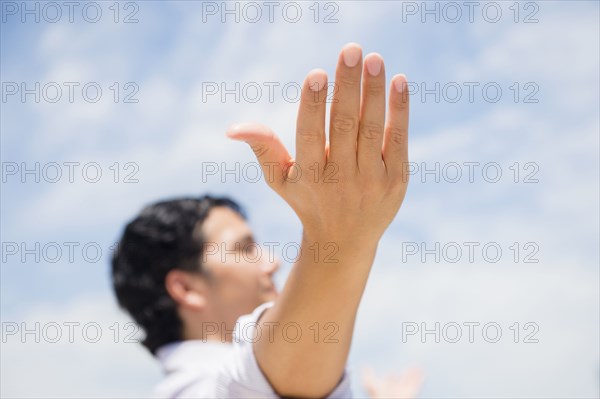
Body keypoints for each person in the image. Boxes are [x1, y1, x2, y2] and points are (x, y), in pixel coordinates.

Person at [112, 42, 414, 398]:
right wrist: (337, 238)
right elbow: (252, 381)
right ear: (186, 288)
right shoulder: (202, 388)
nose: (272, 262)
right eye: (244, 248)